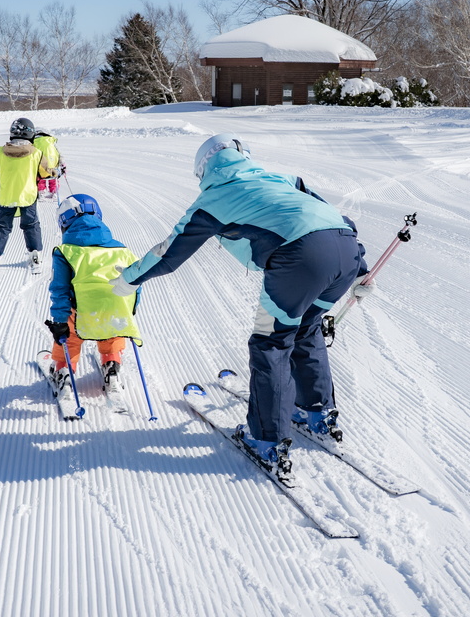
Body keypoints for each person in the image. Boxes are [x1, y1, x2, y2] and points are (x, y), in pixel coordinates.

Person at [111, 133, 371, 475]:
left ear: (203, 170)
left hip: (299, 258)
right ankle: (316, 413)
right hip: (345, 250)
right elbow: (335, 219)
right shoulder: (282, 179)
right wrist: (360, 270)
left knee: (271, 344)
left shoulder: (213, 199)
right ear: (242, 155)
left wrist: (128, 279)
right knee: (306, 331)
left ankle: (266, 440)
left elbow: (169, 254)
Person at [43, 193, 141, 392]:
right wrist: (130, 309)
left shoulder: (66, 252)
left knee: (70, 336)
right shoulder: (122, 250)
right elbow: (135, 282)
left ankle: (64, 372)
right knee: (111, 331)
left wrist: (60, 321)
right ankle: (111, 367)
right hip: (115, 308)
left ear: (64, 222)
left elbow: (59, 290)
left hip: (81, 311)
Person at [0, 117, 52, 272]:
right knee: (31, 226)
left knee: (2, 227)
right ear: (30, 135)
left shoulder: (1, 153)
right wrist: (55, 173)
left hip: (7, 197)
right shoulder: (37, 154)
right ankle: (35, 255)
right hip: (28, 198)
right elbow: (45, 173)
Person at [33, 128, 64, 200]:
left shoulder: (34, 141)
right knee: (53, 178)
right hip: (53, 164)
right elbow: (59, 153)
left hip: (41, 165)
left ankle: (41, 192)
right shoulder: (51, 141)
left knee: (40, 178)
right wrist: (62, 164)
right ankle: (54, 192)